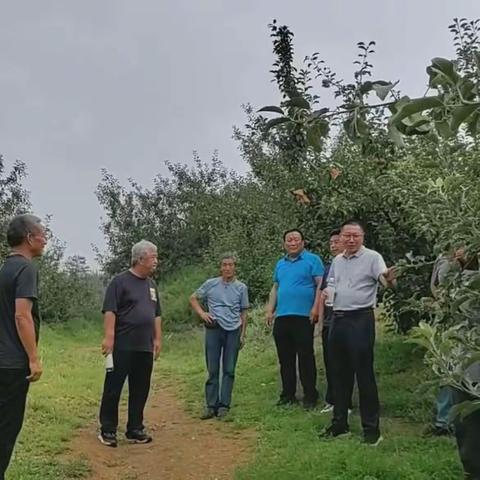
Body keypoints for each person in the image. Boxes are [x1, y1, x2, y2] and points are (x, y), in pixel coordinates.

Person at [320, 220, 396, 446]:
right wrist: (328, 293)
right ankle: (339, 423)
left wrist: (390, 280)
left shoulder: (372, 257)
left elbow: (384, 279)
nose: (351, 240)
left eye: (356, 236)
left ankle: (371, 430)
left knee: (364, 375)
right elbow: (332, 283)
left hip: (360, 319)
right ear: (341, 238)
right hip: (338, 319)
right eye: (347, 236)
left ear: (362, 237)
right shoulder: (337, 260)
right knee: (338, 374)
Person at [98, 240, 162, 448]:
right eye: (153, 257)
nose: (156, 261)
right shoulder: (120, 282)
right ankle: (107, 429)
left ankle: (135, 428)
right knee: (113, 387)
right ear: (140, 258)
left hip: (144, 346)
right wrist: (109, 337)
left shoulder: (152, 285)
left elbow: (156, 314)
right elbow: (110, 310)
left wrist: (158, 339)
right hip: (123, 345)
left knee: (140, 388)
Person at [0, 214, 47, 480]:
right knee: (6, 429)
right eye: (42, 234)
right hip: (13, 363)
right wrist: (33, 358)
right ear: (29, 238)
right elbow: (21, 315)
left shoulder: (5, 268)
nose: (45, 239)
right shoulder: (26, 268)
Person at [266, 229, 324, 409]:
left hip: (303, 316)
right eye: (289, 240)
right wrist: (270, 310)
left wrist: (315, 308)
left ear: (303, 242)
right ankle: (288, 394)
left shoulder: (312, 260)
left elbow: (320, 285)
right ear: (284, 244)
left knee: (305, 357)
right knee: (285, 358)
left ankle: (310, 395)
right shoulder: (280, 264)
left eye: (296, 240)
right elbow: (276, 287)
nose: (292, 243)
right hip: (283, 316)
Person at [190, 255, 249, 419]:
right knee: (213, 368)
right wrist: (202, 313)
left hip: (233, 329)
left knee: (229, 369)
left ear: (235, 267)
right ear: (220, 267)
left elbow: (244, 312)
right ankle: (211, 405)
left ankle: (224, 405)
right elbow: (193, 298)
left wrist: (243, 334)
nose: (227, 268)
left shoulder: (241, 287)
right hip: (214, 329)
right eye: (224, 265)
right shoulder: (211, 284)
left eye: (230, 265)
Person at [318, 229, 353, 414]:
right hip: (329, 323)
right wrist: (320, 320)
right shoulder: (328, 267)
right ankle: (332, 400)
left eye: (336, 241)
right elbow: (323, 294)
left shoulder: (351, 266)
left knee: (345, 364)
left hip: (347, 320)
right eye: (331, 241)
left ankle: (345, 403)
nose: (333, 245)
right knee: (330, 362)